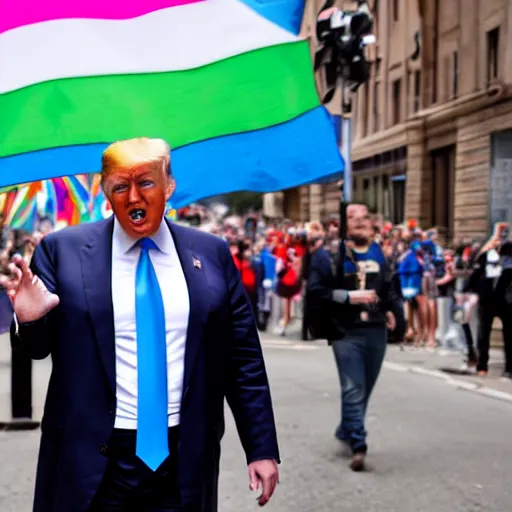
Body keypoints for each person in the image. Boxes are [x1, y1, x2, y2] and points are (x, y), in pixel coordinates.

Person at [2, 137, 280, 512]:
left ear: (169, 186)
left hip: (182, 462)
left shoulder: (211, 254)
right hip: (93, 462)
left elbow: (243, 358)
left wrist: (261, 447)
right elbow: (37, 348)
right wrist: (30, 318)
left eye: (146, 182)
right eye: (120, 186)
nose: (133, 197)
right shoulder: (62, 251)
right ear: (106, 192)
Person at [305, 206, 397, 472]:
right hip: (344, 330)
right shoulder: (328, 255)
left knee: (364, 388)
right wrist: (348, 297)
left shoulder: (380, 253)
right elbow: (315, 291)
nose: (359, 222)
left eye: (365, 217)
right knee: (352, 388)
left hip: (376, 329)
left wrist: (391, 311)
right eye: (352, 217)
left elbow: (388, 287)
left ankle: (346, 430)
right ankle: (359, 444)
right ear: (342, 224)